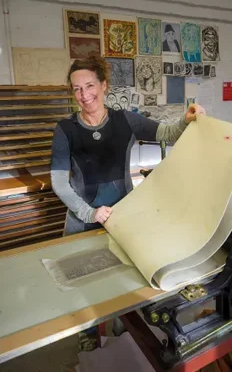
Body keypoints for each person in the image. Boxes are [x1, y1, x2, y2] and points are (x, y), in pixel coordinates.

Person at [50, 54, 206, 350]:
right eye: (77, 89)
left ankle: (122, 326)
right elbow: (59, 181)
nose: (84, 95)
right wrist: (89, 212)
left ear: (103, 85)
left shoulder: (125, 120)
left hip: (122, 217)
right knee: (83, 283)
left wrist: (186, 119)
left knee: (121, 278)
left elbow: (167, 133)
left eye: (89, 86)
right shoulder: (65, 129)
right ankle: (88, 334)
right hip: (83, 219)